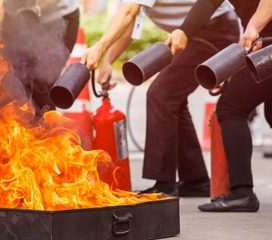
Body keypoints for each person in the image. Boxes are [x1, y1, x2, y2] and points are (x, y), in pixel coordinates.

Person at [81, 0, 240, 196]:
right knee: (171, 97)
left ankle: (164, 184)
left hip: (214, 29)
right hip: (198, 31)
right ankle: (195, 180)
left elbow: (128, 12)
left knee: (160, 95)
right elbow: (131, 25)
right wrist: (108, 60)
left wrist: (98, 48)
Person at [193, 0, 272, 212]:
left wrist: (255, 26)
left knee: (231, 108)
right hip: (264, 43)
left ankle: (242, 193)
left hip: (267, 45)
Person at [2, 0, 80, 115]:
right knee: (12, 84)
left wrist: (34, 9)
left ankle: (48, 130)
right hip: (14, 17)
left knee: (42, 86)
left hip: (57, 17)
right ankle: (14, 130)